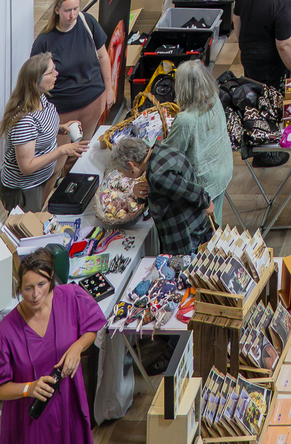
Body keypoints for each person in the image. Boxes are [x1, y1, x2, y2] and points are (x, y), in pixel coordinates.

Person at [0, 247, 105, 443]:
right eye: (28, 288)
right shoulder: (6, 330)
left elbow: (92, 329)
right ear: (19, 287)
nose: (35, 294)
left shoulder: (71, 296)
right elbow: (1, 387)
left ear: (51, 280)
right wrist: (28, 389)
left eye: (41, 284)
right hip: (30, 422)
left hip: (68, 405)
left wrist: (77, 347)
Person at [0, 56, 85, 211]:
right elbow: (27, 167)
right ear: (35, 82)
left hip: (41, 180)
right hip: (25, 189)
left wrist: (60, 127)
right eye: (51, 72)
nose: (56, 74)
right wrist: (62, 150)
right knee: (26, 230)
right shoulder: (24, 121)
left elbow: (39, 133)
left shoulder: (41, 99)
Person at [31, 0, 112, 141]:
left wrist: (109, 89)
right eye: (68, 10)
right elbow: (34, 79)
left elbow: (103, 57)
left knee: (82, 150)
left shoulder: (88, 22)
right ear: (57, 10)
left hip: (92, 100)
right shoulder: (44, 41)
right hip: (62, 108)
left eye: (76, 9)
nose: (72, 15)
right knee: (60, 158)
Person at [118, 129, 215, 253]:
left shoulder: (157, 176)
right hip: (195, 224)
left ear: (131, 165)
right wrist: (141, 194)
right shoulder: (162, 149)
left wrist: (206, 202)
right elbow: (167, 193)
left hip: (187, 236)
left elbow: (189, 191)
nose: (124, 175)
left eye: (122, 171)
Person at [170, 60, 234, 225]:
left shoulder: (185, 120)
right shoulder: (214, 98)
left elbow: (170, 155)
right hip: (222, 167)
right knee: (215, 220)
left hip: (204, 182)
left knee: (206, 231)